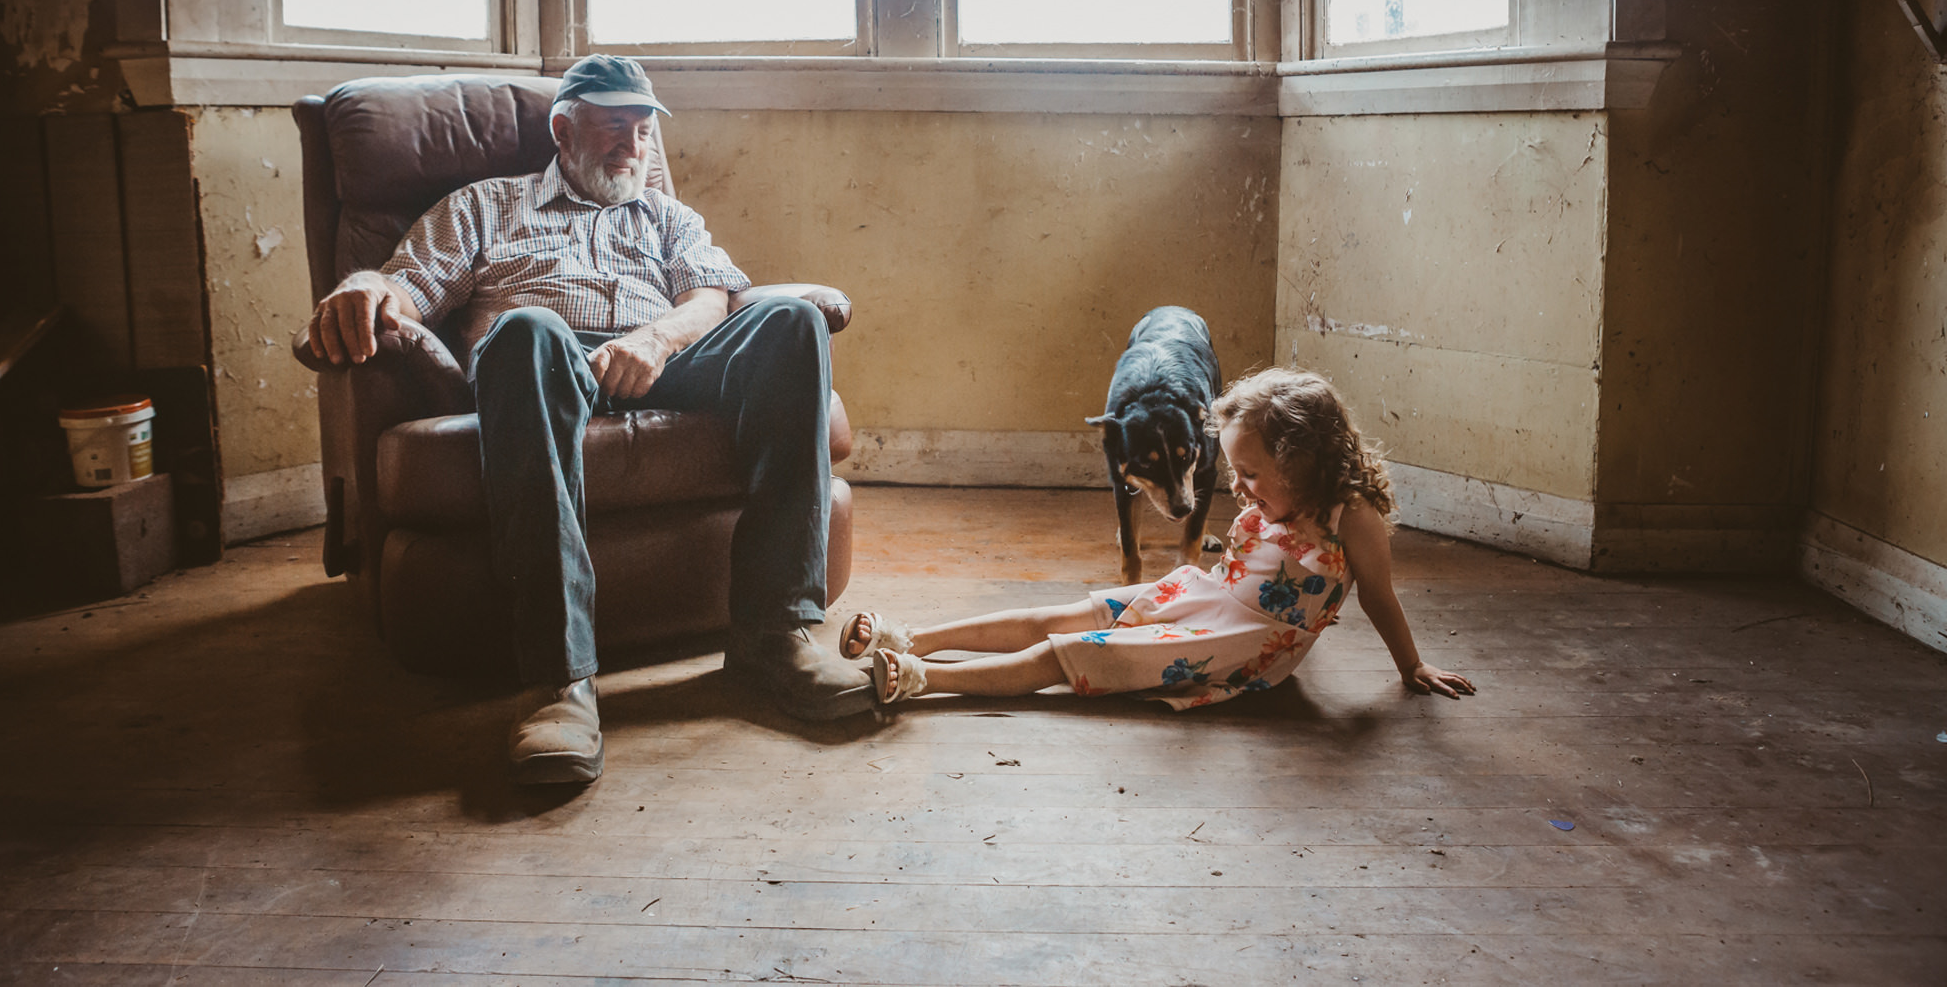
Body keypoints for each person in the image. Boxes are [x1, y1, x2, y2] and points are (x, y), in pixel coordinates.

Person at [305, 55, 872, 784]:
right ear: (563, 129)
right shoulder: (485, 205)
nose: (633, 145)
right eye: (613, 126)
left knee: (790, 320)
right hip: (542, 367)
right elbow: (404, 284)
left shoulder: (669, 216)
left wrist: (656, 339)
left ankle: (775, 635)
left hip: (661, 359)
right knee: (525, 329)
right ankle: (557, 679)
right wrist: (361, 285)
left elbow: (710, 298)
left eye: (643, 129)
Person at [843, 368, 1476, 710]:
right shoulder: (1273, 492)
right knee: (1057, 615)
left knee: (1065, 654)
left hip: (1236, 639)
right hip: (1200, 596)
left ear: (1303, 461)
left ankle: (924, 679)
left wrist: (1410, 664)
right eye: (1233, 470)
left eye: (1251, 473)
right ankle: (914, 636)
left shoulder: (1351, 516)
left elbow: (1380, 595)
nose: (1237, 484)